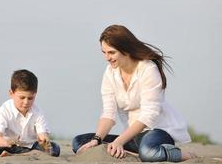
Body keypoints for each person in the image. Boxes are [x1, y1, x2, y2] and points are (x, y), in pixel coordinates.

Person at [72, 25, 196, 162]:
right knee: (80, 143)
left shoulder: (148, 69)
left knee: (148, 153)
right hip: (133, 136)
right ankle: (131, 152)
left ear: (125, 49)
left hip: (157, 130)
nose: (107, 57)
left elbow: (148, 116)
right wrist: (96, 139)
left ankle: (183, 155)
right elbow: (108, 113)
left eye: (111, 52)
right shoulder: (110, 73)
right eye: (104, 52)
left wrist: (119, 141)